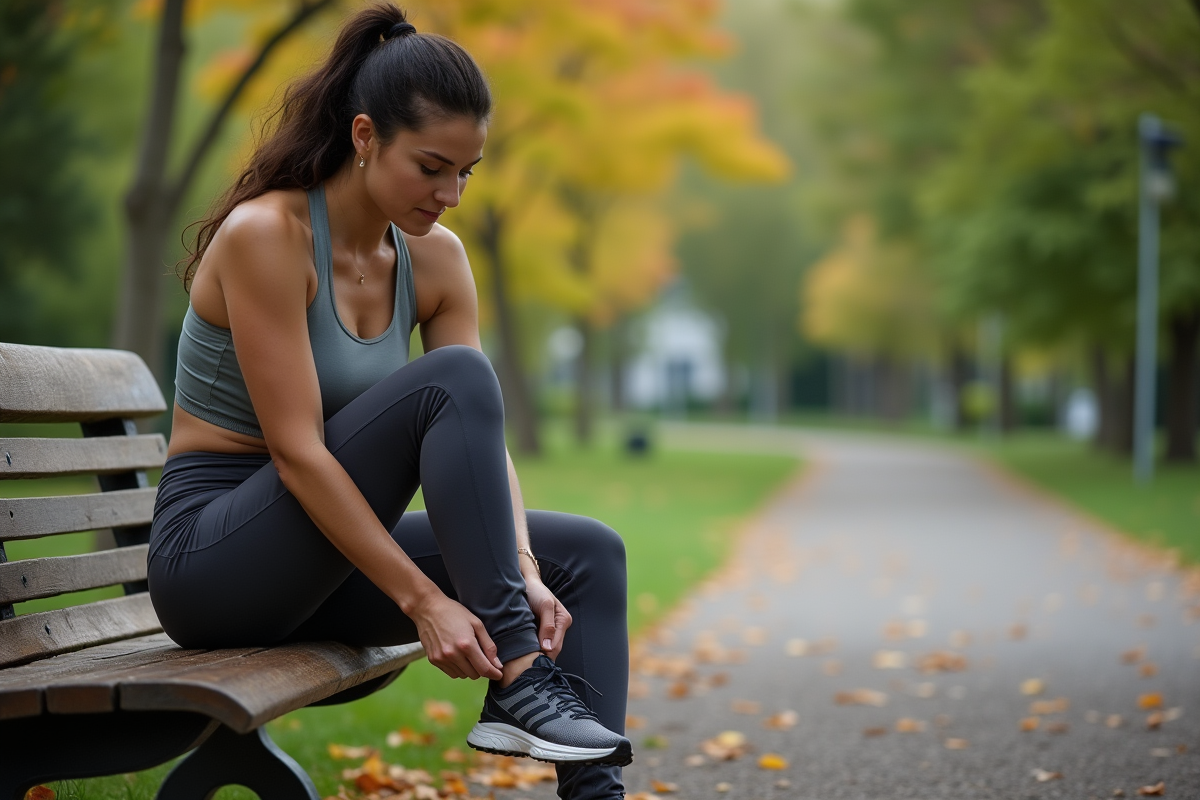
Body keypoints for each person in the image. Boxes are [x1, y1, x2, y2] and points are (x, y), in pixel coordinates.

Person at [147, 5, 632, 799]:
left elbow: (481, 442)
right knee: (457, 378)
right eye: (432, 166)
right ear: (365, 136)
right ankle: (518, 678)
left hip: (325, 561)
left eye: (467, 171)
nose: (453, 194)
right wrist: (424, 600)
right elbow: (300, 452)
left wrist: (520, 566)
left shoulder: (437, 259)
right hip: (216, 563)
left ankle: (595, 794)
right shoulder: (266, 236)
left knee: (587, 557)